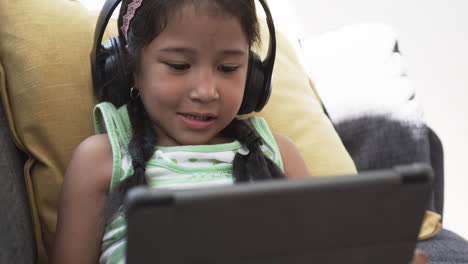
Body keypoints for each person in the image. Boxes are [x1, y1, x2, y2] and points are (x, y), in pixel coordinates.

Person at [51, 1, 427, 263]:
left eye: (229, 68)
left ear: (254, 77)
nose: (206, 91)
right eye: (179, 65)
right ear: (129, 67)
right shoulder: (101, 159)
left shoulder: (277, 153)